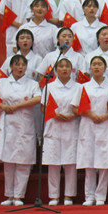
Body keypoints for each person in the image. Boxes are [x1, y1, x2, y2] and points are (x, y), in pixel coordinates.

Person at [0, 54, 41, 206]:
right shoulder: (2, 82)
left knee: (23, 162)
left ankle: (19, 196)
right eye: (17, 64)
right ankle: (9, 195)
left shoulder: (32, 84)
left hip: (24, 124)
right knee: (8, 161)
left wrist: (17, 106)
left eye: (23, 65)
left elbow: (38, 98)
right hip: (7, 124)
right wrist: (2, 106)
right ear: (11, 67)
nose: (20, 67)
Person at [73, 55, 108, 206]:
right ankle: (89, 196)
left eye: (99, 64)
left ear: (105, 68)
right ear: (90, 68)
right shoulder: (83, 87)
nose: (97, 67)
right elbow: (75, 107)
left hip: (105, 125)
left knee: (104, 162)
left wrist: (104, 116)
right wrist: (91, 115)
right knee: (89, 161)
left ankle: (101, 196)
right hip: (88, 126)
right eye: (94, 64)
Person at [42, 58, 81, 205]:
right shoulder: (49, 87)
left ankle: (68, 196)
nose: (64, 69)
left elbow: (82, 107)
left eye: (67, 66)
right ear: (56, 70)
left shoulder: (78, 87)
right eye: (61, 66)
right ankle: (54, 196)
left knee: (70, 163)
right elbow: (43, 107)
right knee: (53, 163)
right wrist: (55, 114)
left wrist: (73, 115)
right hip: (54, 126)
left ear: (72, 70)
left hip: (71, 127)